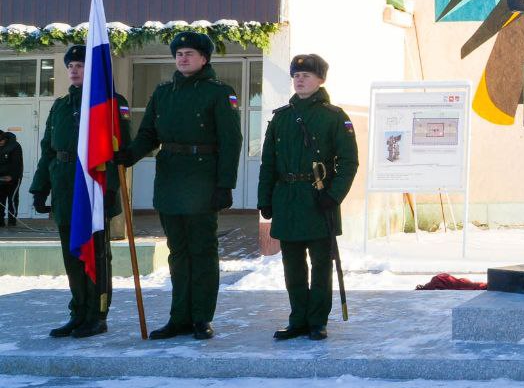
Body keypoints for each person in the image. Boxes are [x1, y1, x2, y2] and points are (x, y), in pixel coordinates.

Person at [116, 31, 241, 340]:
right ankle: (179, 317)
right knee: (178, 252)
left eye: (190, 54)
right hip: (170, 180)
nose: (183, 58)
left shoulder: (219, 92)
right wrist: (128, 156)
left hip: (202, 181)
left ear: (204, 59)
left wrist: (225, 184)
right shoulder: (163, 93)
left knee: (202, 251)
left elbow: (231, 141)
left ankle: (201, 317)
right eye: (179, 54)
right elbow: (148, 134)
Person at [28, 45, 133, 338]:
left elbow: (120, 152)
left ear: (93, 70)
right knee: (73, 252)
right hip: (64, 187)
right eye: (71, 66)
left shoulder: (110, 103)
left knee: (96, 254)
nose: (74, 70)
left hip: (94, 187)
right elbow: (49, 150)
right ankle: (78, 312)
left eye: (80, 65)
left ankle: (97, 314)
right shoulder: (60, 106)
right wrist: (40, 188)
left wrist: (110, 188)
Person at [258, 54, 358, 341]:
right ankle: (298, 319)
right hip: (287, 200)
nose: (300, 80)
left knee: (321, 264)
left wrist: (334, 195)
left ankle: (317, 320)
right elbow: (268, 163)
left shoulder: (334, 116)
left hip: (318, 199)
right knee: (292, 265)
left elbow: (348, 162)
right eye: (296, 75)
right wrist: (265, 199)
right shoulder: (281, 117)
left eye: (307, 75)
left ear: (320, 80)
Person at [0, 130, 21, 226]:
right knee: (1, 200)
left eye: (1, 141)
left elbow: (17, 164)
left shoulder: (15, 146)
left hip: (13, 179)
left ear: (4, 139)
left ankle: (12, 221)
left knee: (12, 200)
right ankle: (0, 222)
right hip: (1, 177)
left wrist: (12, 176)